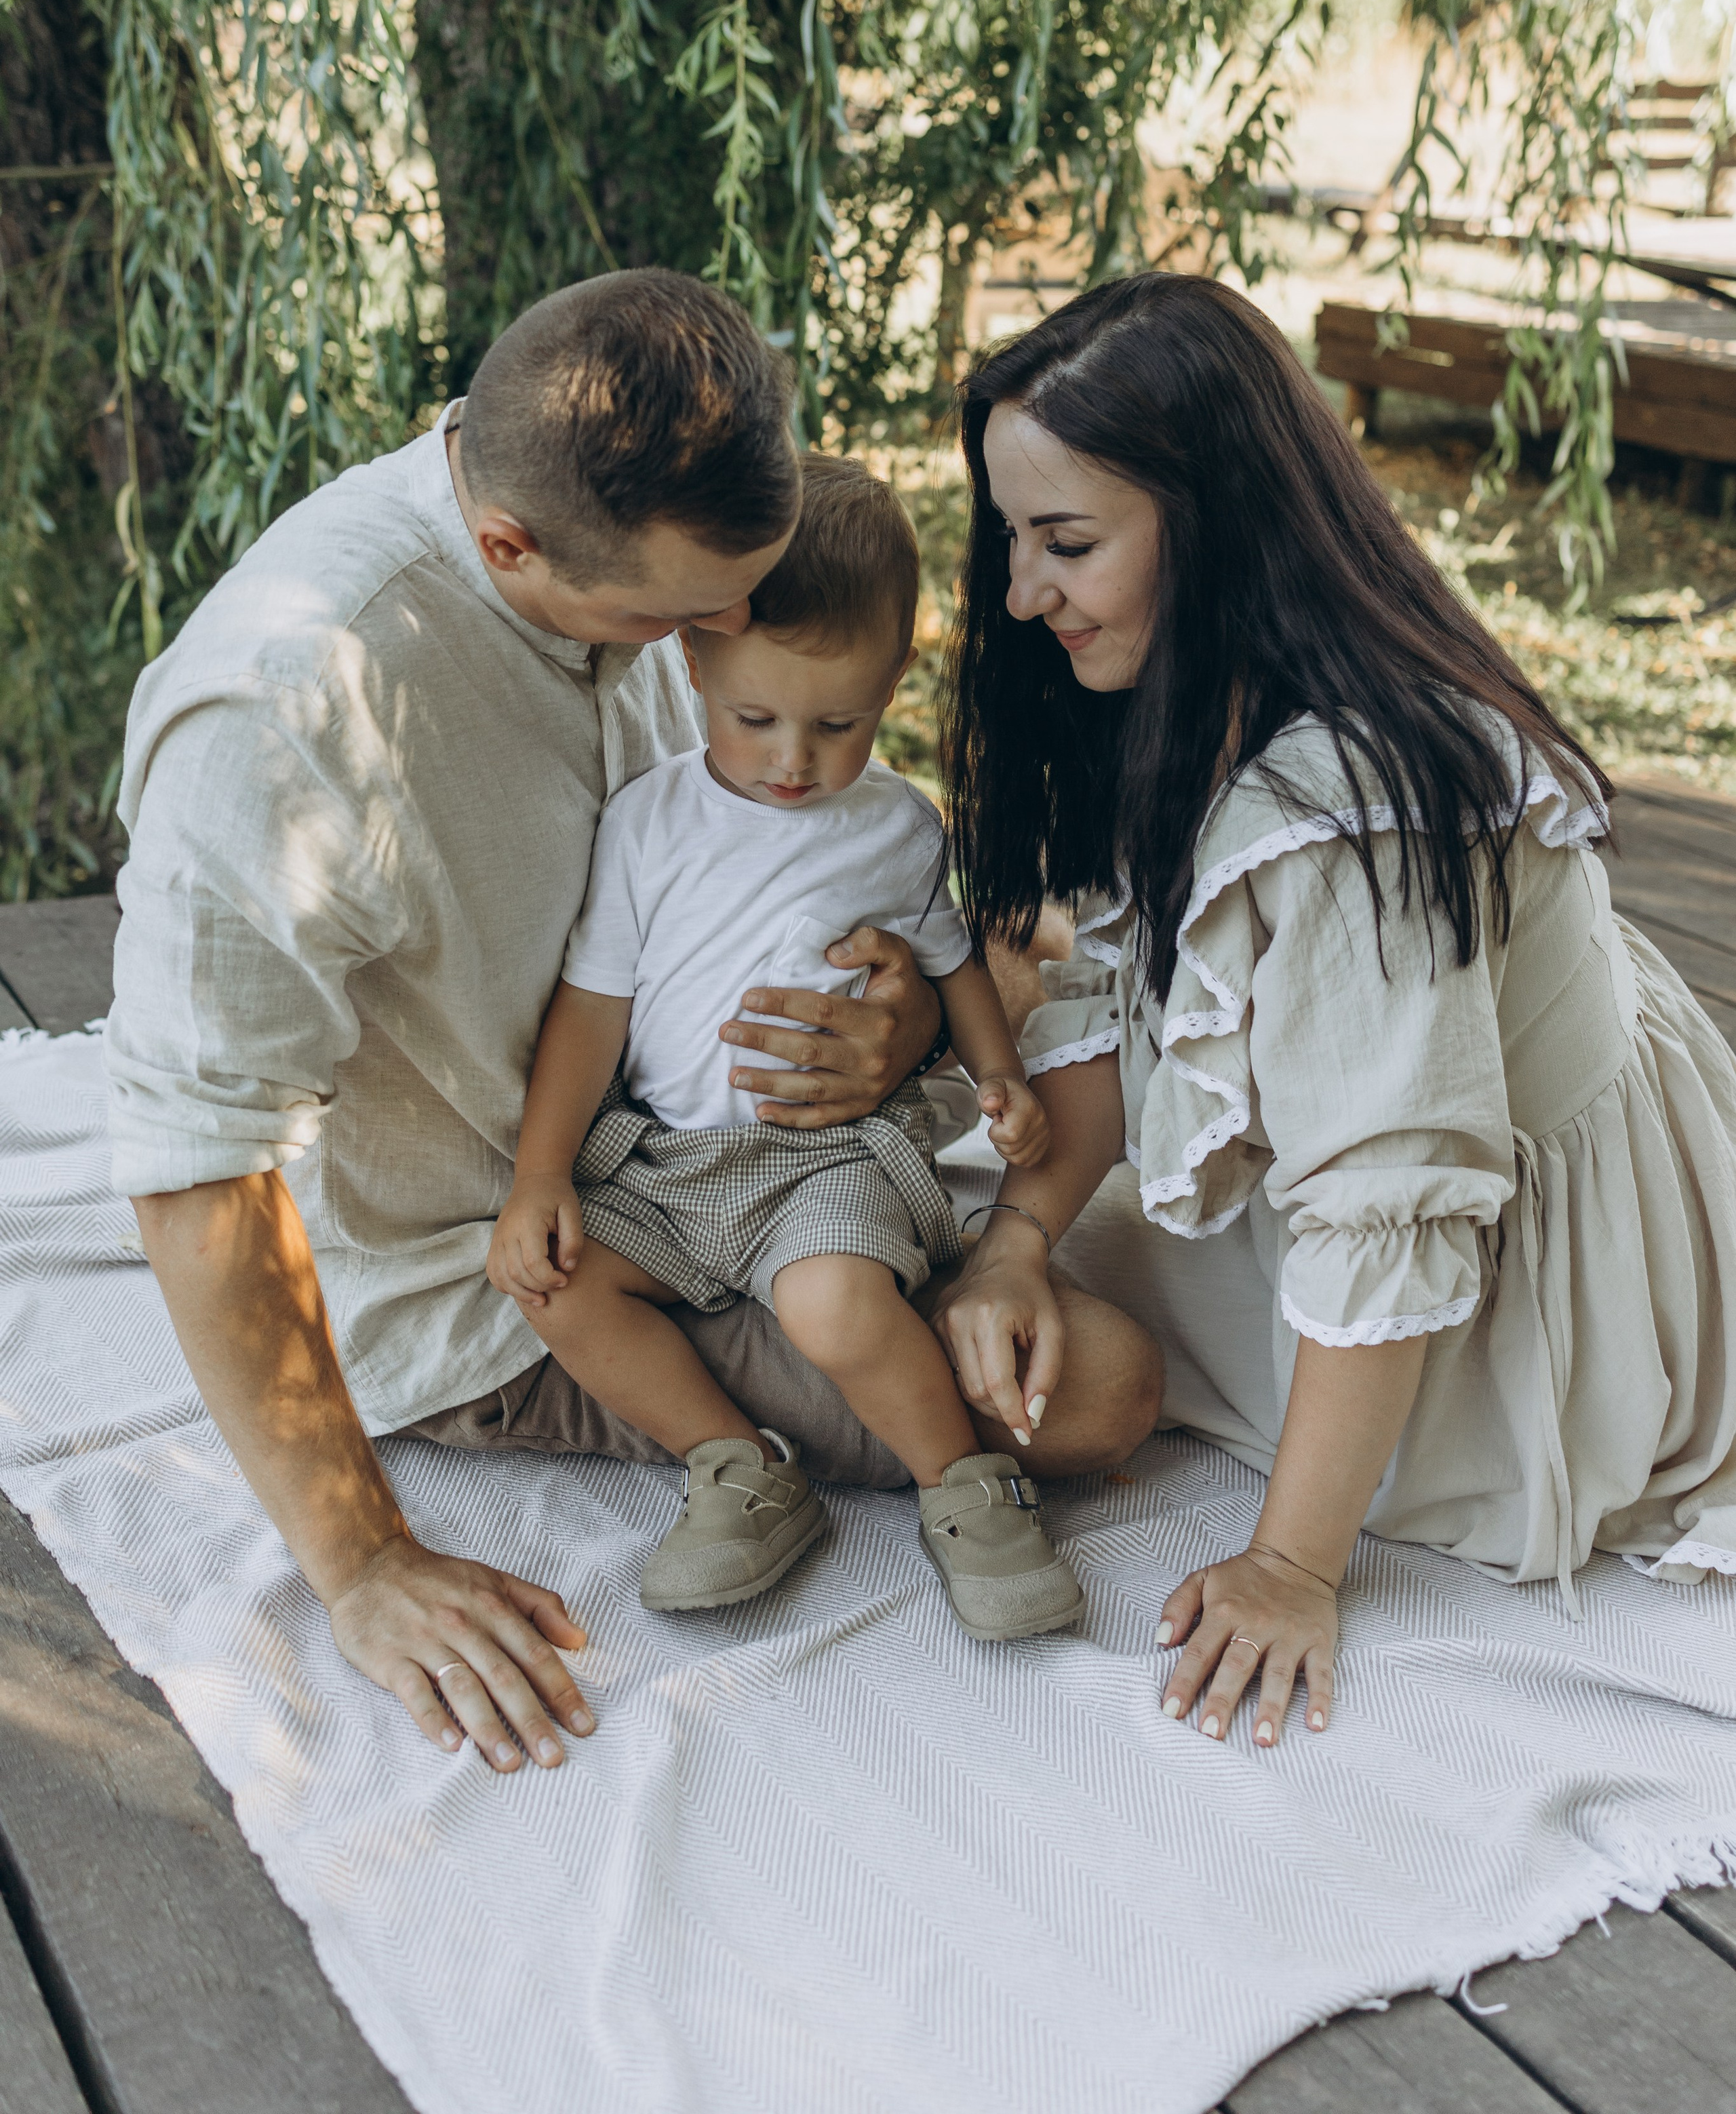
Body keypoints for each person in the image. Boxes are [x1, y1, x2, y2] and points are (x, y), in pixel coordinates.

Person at [109, 270, 1162, 1777]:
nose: (725, 639)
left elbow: (807, 870)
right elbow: (193, 1168)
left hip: (726, 1152)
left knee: (1069, 1304)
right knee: (1104, 1388)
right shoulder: (288, 717)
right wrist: (362, 1568)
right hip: (512, 1268)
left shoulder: (648, 535)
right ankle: (742, 1470)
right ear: (505, 549)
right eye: (681, 619)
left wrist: (907, 1037)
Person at [933, 269, 1736, 1751]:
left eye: (1065, 544)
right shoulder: (1198, 693)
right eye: (1009, 541)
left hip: (1504, 1277)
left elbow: (1389, 1204)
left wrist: (1290, 1565)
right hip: (1442, 1139)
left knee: (1038, 1341)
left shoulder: (1350, 816)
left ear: (1218, 530)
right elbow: (1133, 1007)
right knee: (994, 1237)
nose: (1017, 596)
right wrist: (1016, 1239)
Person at [488, 455, 1083, 1641]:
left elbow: (956, 963)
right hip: (663, 1160)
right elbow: (592, 1010)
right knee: (557, 1287)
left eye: (840, 723)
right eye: (754, 719)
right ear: (693, 658)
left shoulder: (900, 828)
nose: (794, 760)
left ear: (894, 682)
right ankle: (738, 1470)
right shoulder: (649, 822)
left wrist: (1000, 1079)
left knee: (837, 1311)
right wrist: (543, 1176)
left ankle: (965, 1486)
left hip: (824, 1163)